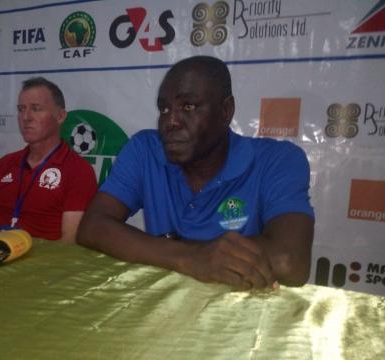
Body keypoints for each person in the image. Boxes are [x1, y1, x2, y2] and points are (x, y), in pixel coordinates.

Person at [77, 56, 314, 290]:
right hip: (160, 309)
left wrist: (171, 251)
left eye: (188, 106)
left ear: (226, 111)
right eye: (164, 108)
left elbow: (289, 262)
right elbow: (92, 227)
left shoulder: (277, 160)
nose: (170, 121)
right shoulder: (145, 150)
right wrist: (192, 257)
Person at [0, 77, 97, 242]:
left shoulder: (79, 171)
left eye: (36, 109)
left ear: (60, 116)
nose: (26, 117)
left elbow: (70, 241)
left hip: (42, 263)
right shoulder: (5, 164)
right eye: (21, 109)